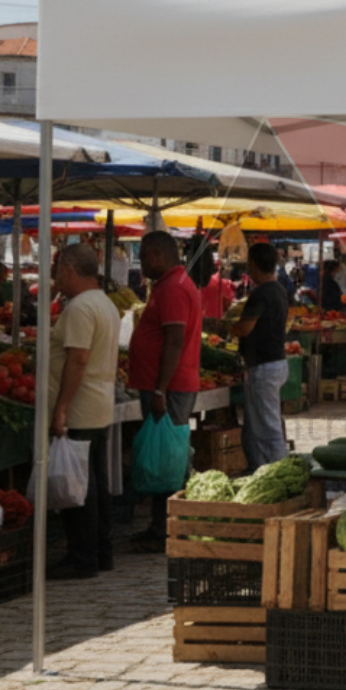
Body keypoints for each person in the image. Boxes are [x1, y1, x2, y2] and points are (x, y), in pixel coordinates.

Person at [47, 243, 121, 580]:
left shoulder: (79, 308)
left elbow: (77, 359)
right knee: (95, 481)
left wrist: (61, 408)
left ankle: (83, 556)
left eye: (58, 270)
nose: (56, 277)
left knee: (79, 485)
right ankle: (101, 551)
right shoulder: (104, 303)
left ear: (69, 270)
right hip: (99, 402)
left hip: (80, 404)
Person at [129, 231, 204, 553]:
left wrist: (159, 389)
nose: (142, 263)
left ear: (159, 254)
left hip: (170, 388)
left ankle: (170, 530)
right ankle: (162, 526)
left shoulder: (173, 288)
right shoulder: (170, 284)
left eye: (144, 256)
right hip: (168, 385)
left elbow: (174, 340)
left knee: (168, 463)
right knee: (166, 460)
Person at [223, 242, 291, 469]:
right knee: (254, 427)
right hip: (276, 363)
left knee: (268, 428)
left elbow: (244, 328)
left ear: (253, 265)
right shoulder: (280, 290)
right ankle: (258, 470)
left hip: (264, 367)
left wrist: (224, 328)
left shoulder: (260, 294)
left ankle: (281, 472)